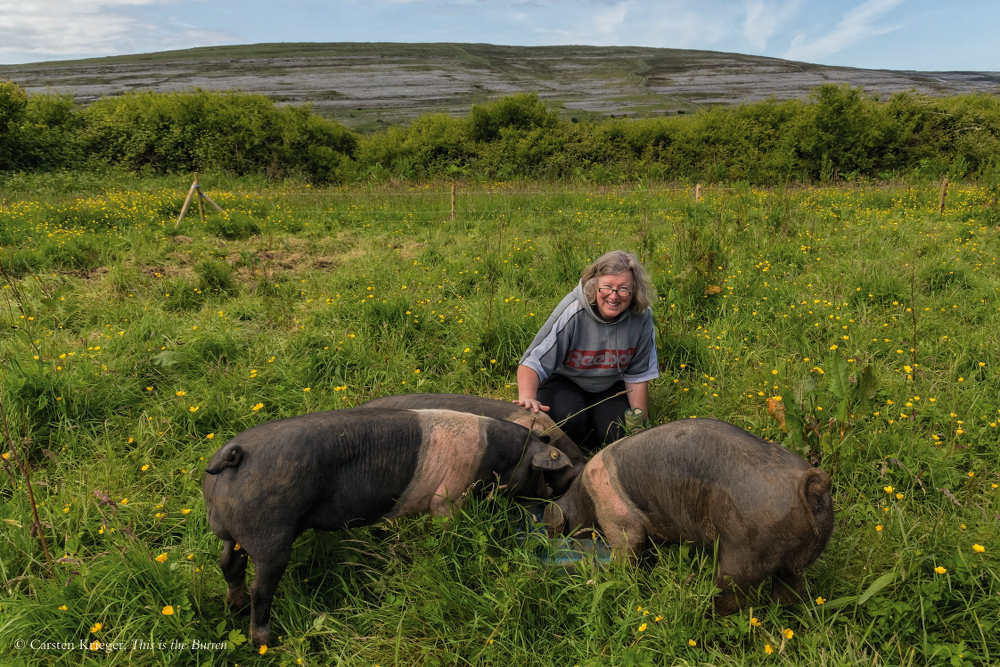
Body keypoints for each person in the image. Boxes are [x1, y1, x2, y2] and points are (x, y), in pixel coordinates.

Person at [515, 250, 658, 451]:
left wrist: (639, 421)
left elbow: (637, 375)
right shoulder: (573, 311)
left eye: (623, 289)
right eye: (607, 287)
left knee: (618, 434)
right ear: (594, 285)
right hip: (566, 382)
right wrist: (528, 397)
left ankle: (596, 430)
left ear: (635, 291)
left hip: (610, 386)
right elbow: (533, 361)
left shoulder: (641, 318)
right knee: (570, 420)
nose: (614, 296)